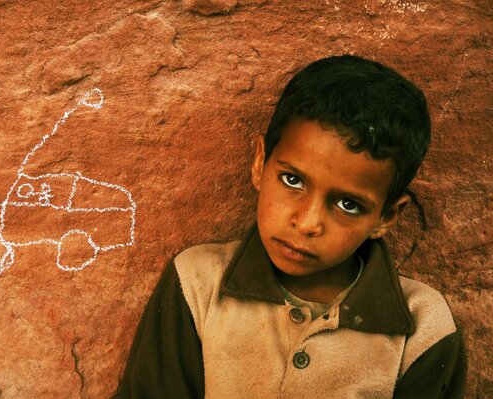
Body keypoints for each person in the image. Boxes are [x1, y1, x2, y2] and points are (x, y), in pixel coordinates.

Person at [114, 55, 467, 398]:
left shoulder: (421, 329)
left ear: (386, 217)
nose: (308, 222)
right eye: (292, 180)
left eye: (348, 204)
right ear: (259, 164)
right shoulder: (198, 284)